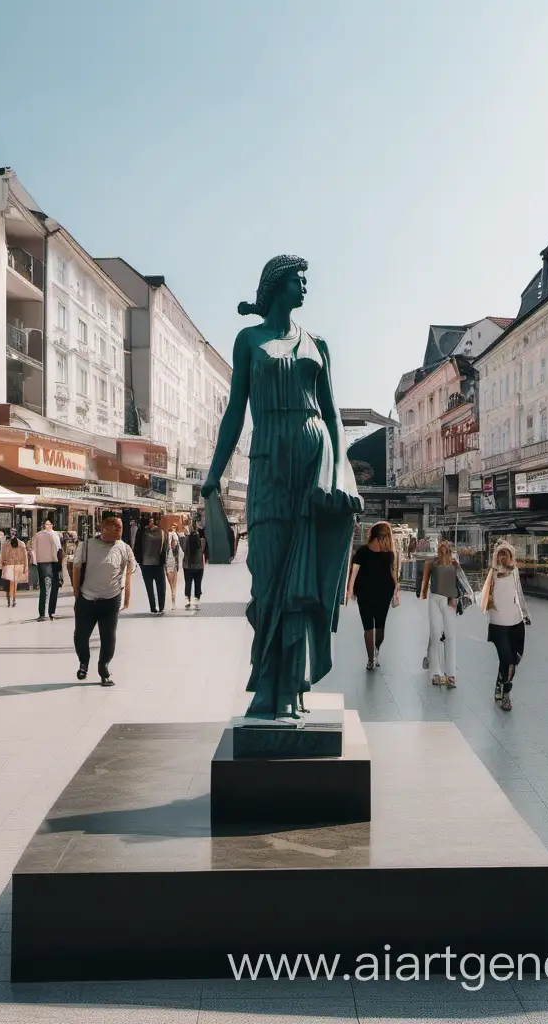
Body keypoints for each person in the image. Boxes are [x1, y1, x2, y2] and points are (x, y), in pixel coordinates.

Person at [201, 254, 362, 718]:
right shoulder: (248, 340)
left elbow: (332, 414)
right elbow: (235, 410)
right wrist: (215, 470)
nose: (305, 285)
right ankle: (266, 685)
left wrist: (336, 473)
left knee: (302, 583)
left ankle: (289, 691)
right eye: (298, 278)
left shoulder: (318, 344)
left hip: (313, 470)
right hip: (269, 468)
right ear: (276, 285)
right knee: (269, 578)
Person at [72, 516, 135, 687]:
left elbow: (129, 572)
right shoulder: (86, 546)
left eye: (121, 528)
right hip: (87, 598)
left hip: (111, 599)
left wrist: (127, 597)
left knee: (108, 638)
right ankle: (84, 662)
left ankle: (104, 668)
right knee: (80, 636)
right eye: (116, 528)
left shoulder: (124, 548)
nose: (120, 531)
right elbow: (76, 567)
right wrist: (76, 592)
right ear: (104, 530)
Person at [480, 542, 531, 710]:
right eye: (499, 555)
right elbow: (485, 595)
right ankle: (506, 694)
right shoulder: (493, 573)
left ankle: (499, 684)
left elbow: (519, 593)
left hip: (515, 622)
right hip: (498, 623)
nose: (502, 557)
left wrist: (525, 613)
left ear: (511, 557)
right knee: (506, 658)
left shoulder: (515, 572)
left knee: (514, 658)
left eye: (505, 555)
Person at [346, 522, 399, 671]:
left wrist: (350, 590)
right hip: (380, 592)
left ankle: (372, 656)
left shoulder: (363, 551)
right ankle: (373, 655)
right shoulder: (389, 554)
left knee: (372, 627)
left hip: (366, 591)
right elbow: (393, 575)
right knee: (375, 626)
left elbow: (354, 572)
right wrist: (395, 592)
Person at [420, 540, 461, 688]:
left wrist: (459, 597)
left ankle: (450, 675)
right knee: (436, 634)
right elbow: (425, 579)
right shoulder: (431, 562)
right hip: (436, 599)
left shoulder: (455, 564)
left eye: (445, 550)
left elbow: (461, 582)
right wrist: (423, 592)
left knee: (449, 636)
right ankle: (435, 673)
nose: (442, 552)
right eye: (441, 549)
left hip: (449, 600)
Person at [30, 519, 62, 621]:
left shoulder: (37, 536)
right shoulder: (53, 536)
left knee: (43, 587)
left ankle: (42, 613)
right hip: (51, 563)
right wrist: (56, 562)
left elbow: (33, 549)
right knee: (52, 586)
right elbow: (56, 549)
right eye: (46, 524)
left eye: (49, 524)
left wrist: (35, 561)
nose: (48, 526)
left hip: (40, 563)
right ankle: (50, 612)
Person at [137, 514, 166, 614]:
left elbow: (164, 546)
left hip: (159, 564)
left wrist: (164, 560)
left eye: (152, 521)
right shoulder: (141, 532)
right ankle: (153, 608)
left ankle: (161, 607)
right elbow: (136, 546)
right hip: (145, 564)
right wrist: (139, 561)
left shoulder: (161, 532)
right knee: (149, 588)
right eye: (149, 521)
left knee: (161, 587)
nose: (150, 523)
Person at [0, 529, 29, 607]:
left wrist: (25, 566)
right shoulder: (20, 544)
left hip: (14, 565)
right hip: (14, 565)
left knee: (12, 582)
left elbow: (25, 557)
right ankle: (12, 599)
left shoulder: (7, 544)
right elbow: (3, 556)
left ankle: (12, 598)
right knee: (13, 582)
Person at [182, 522, 207, 608]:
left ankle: (187, 600)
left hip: (187, 566)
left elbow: (183, 546)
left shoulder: (186, 541)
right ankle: (196, 600)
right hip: (199, 566)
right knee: (197, 584)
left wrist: (186, 535)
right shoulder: (202, 541)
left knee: (188, 584)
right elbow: (203, 539)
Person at [164, 527, 182, 605]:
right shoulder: (174, 537)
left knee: (172, 584)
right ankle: (173, 597)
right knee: (172, 584)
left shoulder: (167, 537)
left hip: (170, 564)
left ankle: (173, 596)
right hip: (171, 564)